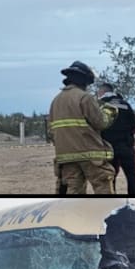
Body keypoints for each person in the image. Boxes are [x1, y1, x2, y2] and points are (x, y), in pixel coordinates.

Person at [49, 60, 116, 194]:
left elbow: (51, 132)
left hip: (66, 157)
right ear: (84, 80)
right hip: (90, 154)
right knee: (103, 185)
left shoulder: (56, 101)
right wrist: (109, 111)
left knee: (73, 191)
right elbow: (101, 122)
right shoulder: (85, 98)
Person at [96, 81, 135, 195]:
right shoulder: (125, 104)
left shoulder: (100, 105)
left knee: (110, 177)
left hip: (108, 148)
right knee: (131, 176)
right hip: (126, 146)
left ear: (102, 92)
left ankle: (112, 200)